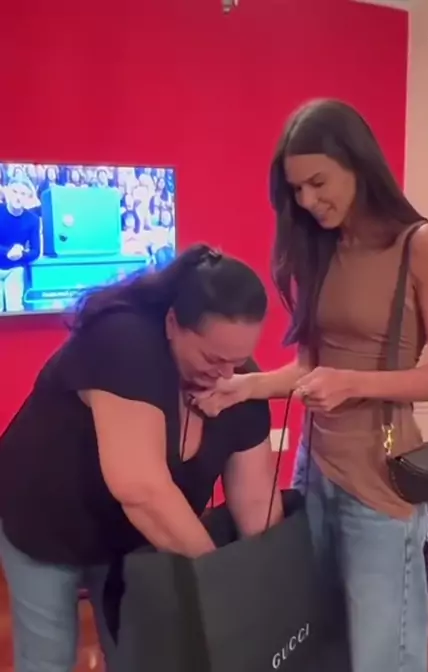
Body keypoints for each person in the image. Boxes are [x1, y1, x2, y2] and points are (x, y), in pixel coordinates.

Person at [193, 100, 428, 672]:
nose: (306, 201)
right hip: (314, 468)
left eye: (318, 183)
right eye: (296, 189)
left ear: (357, 163)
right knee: (322, 641)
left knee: (380, 655)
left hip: (380, 477)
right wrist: (245, 387)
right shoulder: (320, 248)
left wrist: (352, 383)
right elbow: (310, 368)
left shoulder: (421, 245)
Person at [0, 243, 283, 672]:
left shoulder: (237, 383)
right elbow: (141, 488)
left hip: (132, 539)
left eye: (238, 361)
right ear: (171, 324)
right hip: (45, 518)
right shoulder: (123, 341)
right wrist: (219, 582)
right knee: (48, 657)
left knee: (138, 655)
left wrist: (269, 586)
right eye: (212, 358)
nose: (226, 375)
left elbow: (257, 503)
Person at [0, 175, 41, 312]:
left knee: (15, 309)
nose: (18, 197)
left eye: (23, 194)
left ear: (28, 198)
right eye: (15, 192)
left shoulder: (33, 220)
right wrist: (8, 252)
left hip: (15, 268)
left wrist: (21, 253)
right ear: (8, 192)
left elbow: (36, 251)